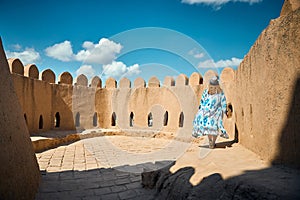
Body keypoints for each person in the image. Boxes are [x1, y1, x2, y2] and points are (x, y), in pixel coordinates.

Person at [192, 76, 229, 149]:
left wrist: (201, 110)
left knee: (209, 127)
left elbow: (202, 102)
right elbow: (223, 102)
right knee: (215, 128)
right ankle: (213, 142)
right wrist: (225, 110)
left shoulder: (206, 91)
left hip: (207, 112)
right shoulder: (220, 93)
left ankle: (210, 141)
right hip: (216, 112)